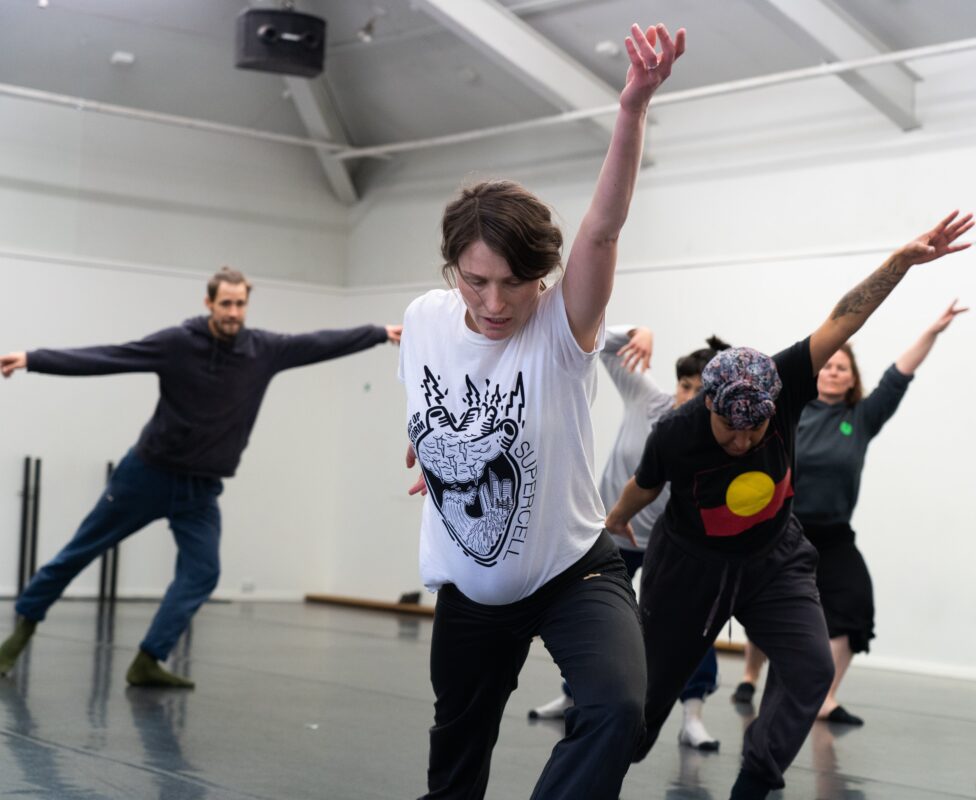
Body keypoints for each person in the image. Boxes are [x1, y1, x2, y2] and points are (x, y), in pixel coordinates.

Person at [396, 23, 684, 800]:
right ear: (452, 267)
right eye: (476, 281)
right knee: (456, 759)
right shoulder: (423, 319)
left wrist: (632, 107)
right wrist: (422, 450)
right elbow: (427, 402)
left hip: (571, 568)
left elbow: (603, 227)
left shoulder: (561, 330)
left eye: (514, 284)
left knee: (619, 708)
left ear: (543, 278)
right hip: (470, 582)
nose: (494, 303)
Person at [606, 210, 974, 800]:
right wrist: (617, 520)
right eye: (732, 429)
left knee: (810, 667)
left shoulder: (784, 378)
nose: (745, 440)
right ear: (709, 407)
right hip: (690, 568)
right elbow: (644, 487)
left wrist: (900, 263)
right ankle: (596, 775)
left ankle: (755, 783)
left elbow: (843, 318)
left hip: (775, 556)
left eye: (757, 430)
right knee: (647, 696)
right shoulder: (676, 431)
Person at [0, 267, 401, 688]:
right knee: (80, 551)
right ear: (209, 303)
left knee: (203, 571)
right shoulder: (177, 344)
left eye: (240, 304)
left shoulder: (264, 350)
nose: (233, 312)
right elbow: (110, 356)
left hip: (200, 489)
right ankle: (18, 637)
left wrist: (378, 333)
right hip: (146, 476)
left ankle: (148, 660)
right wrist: (33, 360)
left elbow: (319, 343)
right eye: (225, 303)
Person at [731, 302, 968, 725]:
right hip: (785, 529)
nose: (835, 371)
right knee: (768, 605)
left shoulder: (861, 418)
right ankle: (751, 673)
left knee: (855, 605)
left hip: (835, 534)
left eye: (844, 367)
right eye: (829, 365)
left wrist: (933, 331)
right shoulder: (790, 411)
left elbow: (899, 376)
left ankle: (826, 697)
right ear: (816, 373)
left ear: (853, 377)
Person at [528, 327, 730, 752]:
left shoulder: (718, 436)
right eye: (684, 384)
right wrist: (643, 333)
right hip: (614, 532)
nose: (688, 396)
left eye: (700, 390)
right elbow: (596, 338)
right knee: (588, 614)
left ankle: (692, 716)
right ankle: (572, 695)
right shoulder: (648, 400)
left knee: (689, 627)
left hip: (670, 546)